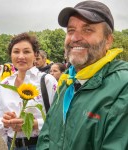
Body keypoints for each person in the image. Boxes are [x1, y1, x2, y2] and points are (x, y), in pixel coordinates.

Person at [37, 1, 128, 150]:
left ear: (108, 41)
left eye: (87, 30)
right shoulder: (66, 82)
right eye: (71, 30)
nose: (74, 38)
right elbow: (47, 137)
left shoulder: (123, 87)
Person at [0, 33, 57, 150]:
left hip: (39, 145)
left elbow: (59, 118)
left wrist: (33, 124)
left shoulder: (47, 81)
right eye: (16, 51)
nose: (21, 56)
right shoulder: (4, 84)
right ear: (10, 55)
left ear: (35, 55)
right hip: (12, 145)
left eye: (26, 52)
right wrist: (6, 122)